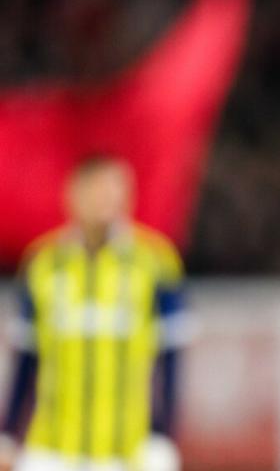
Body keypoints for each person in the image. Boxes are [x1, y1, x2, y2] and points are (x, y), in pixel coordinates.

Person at [0, 155, 188, 471]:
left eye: (115, 189)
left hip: (125, 452)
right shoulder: (43, 262)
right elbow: (26, 358)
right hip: (51, 449)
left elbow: (170, 359)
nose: (106, 199)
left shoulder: (155, 260)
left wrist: (163, 435)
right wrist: (7, 433)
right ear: (73, 194)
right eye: (97, 188)